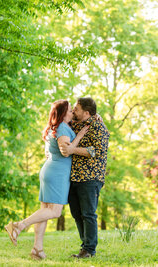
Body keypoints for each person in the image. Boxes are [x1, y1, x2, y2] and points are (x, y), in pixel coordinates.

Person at [4, 100, 89, 260]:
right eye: (70, 111)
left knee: (44, 211)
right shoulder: (63, 128)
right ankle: (18, 226)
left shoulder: (55, 127)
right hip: (57, 173)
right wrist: (80, 135)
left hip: (50, 170)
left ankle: (37, 249)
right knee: (54, 211)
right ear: (63, 114)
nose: (72, 113)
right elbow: (66, 152)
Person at [60, 97, 109, 258]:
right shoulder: (76, 123)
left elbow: (97, 150)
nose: (74, 110)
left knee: (88, 214)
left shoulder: (98, 126)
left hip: (90, 177)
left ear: (87, 112)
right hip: (74, 176)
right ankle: (85, 247)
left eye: (77, 108)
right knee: (76, 213)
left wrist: (73, 150)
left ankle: (89, 249)